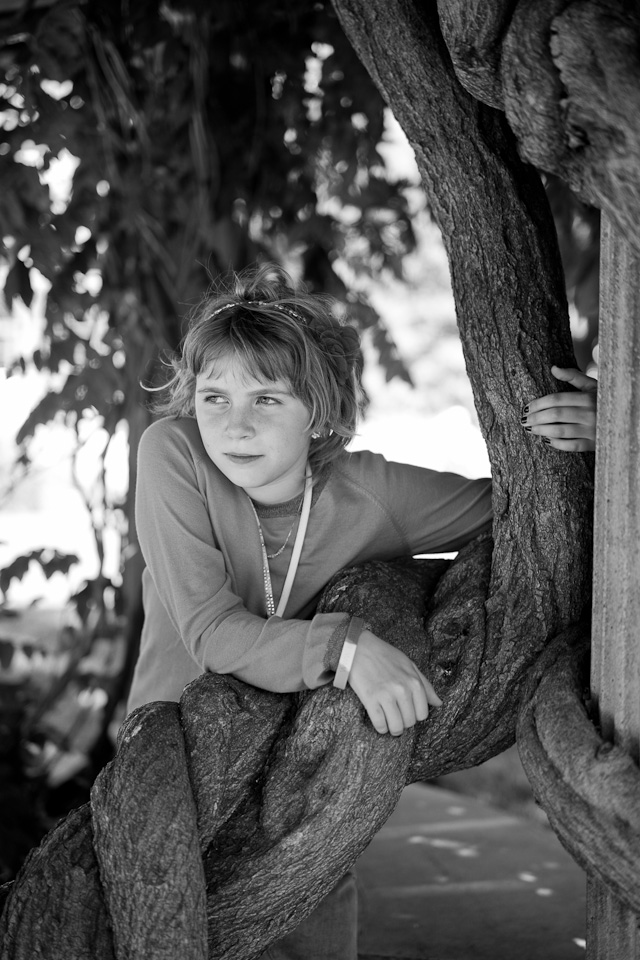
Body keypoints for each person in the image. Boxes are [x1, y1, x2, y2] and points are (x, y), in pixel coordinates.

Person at [127, 262, 597, 960]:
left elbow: (530, 516)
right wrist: (348, 650)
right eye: (213, 396)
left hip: (301, 776)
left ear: (316, 409)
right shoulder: (174, 455)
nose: (234, 425)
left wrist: (603, 437)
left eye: (267, 400)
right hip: (176, 761)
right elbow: (208, 630)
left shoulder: (368, 492)